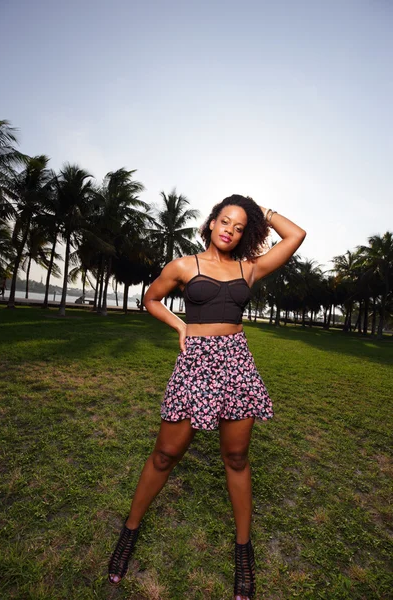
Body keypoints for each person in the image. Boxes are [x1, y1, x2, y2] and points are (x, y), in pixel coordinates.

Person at [108, 195, 306, 599]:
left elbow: (296, 235)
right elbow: (151, 299)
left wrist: (260, 211)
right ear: (211, 223)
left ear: (244, 232)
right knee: (165, 454)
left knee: (236, 457)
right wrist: (180, 326)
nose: (230, 230)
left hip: (236, 365)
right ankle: (129, 531)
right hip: (195, 364)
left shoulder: (249, 269)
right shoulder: (184, 265)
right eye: (225, 221)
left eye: (238, 226)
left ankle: (243, 550)